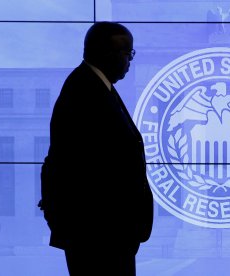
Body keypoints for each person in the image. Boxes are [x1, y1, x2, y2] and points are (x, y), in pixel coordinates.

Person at [39, 22, 153, 275]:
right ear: (108, 54)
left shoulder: (96, 86)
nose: (130, 62)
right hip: (98, 234)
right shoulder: (84, 91)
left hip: (107, 233)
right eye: (128, 54)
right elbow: (80, 168)